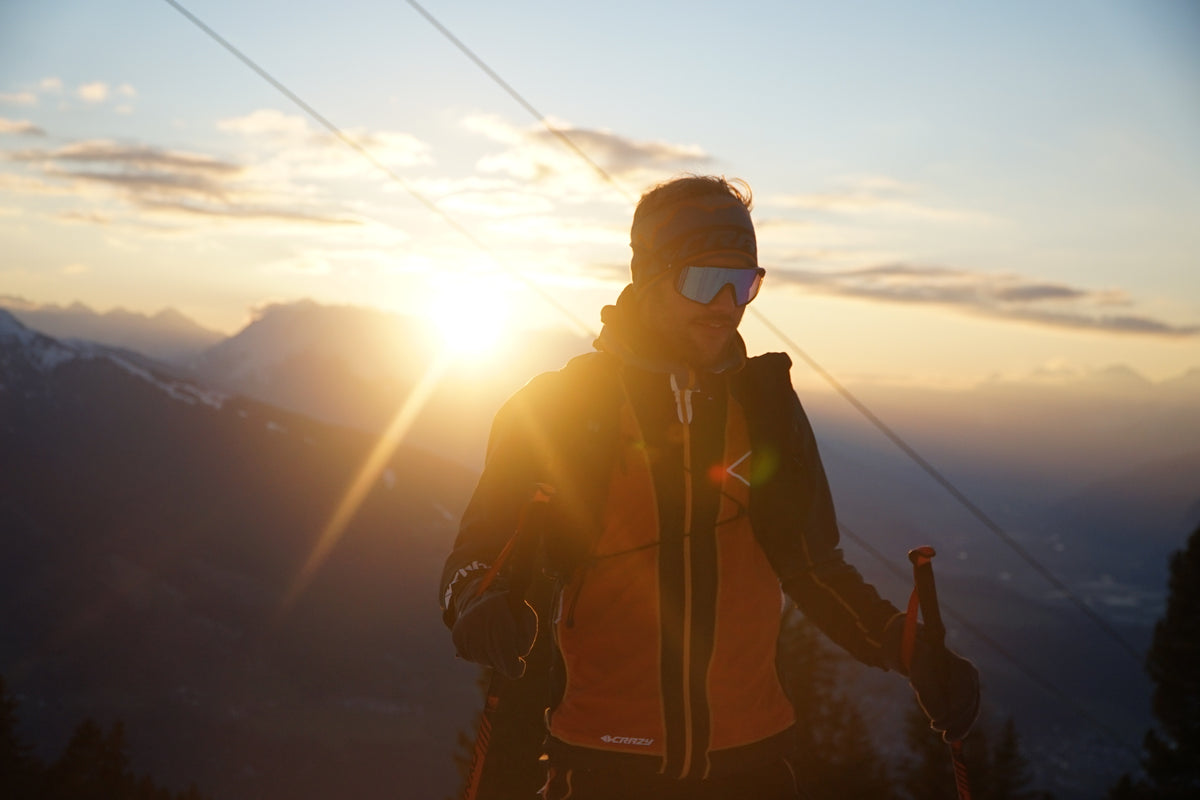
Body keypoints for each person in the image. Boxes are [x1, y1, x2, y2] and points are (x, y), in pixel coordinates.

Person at [440, 175, 980, 799]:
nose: (726, 303)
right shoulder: (562, 409)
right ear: (648, 279)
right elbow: (476, 559)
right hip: (601, 765)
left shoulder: (767, 407)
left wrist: (904, 645)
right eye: (703, 279)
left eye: (745, 281)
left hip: (752, 765)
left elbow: (815, 569)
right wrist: (477, 604)